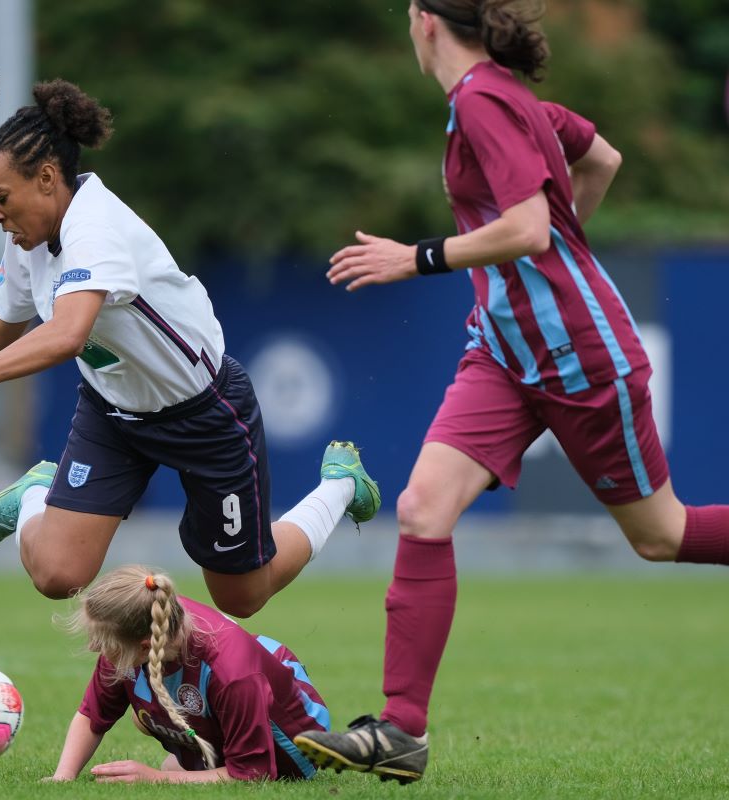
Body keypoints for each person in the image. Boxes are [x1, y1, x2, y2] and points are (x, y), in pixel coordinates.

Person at [293, 0, 729, 784]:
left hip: (580, 356)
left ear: (427, 22)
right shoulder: (506, 97)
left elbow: (529, 228)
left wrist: (417, 258)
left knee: (660, 535)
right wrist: (533, 273)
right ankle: (401, 730)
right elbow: (603, 159)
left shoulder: (483, 99)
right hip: (504, 351)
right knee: (424, 508)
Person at [0, 76, 380, 617]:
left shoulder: (96, 228)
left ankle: (337, 486)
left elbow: (67, 334)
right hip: (113, 413)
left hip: (205, 411)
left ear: (46, 177)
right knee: (56, 576)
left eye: (1, 198)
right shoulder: (28, 240)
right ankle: (34, 499)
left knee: (242, 597)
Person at [49, 565, 331, 783]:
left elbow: (253, 775)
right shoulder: (150, 613)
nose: (93, 647)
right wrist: (63, 776)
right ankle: (200, 761)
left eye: (103, 643)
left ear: (145, 645)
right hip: (226, 690)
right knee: (143, 716)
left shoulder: (233, 673)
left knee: (165, 743)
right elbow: (92, 715)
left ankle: (202, 763)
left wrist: (158, 779)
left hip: (297, 746)